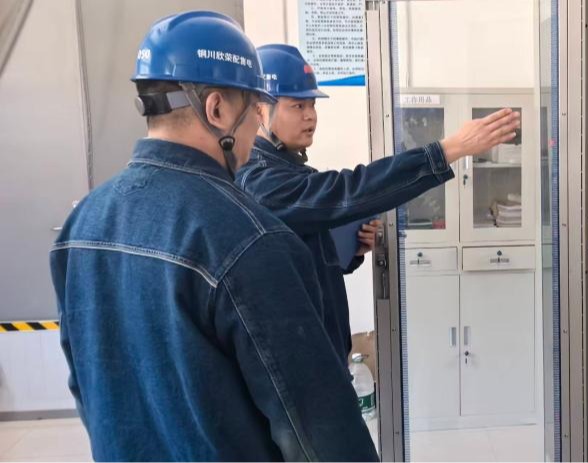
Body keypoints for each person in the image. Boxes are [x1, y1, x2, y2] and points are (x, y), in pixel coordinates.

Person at [50, 13, 378, 462]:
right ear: (217, 109)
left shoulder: (81, 225)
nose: (255, 130)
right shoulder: (250, 238)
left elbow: (86, 384)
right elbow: (316, 428)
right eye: (255, 111)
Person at [236, 44, 521, 365]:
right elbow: (351, 190)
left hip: (323, 353)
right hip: (301, 362)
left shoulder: (290, 172)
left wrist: (351, 250)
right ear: (260, 111)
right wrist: (448, 150)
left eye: (312, 104)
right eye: (297, 105)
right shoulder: (260, 182)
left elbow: (305, 258)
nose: (310, 115)